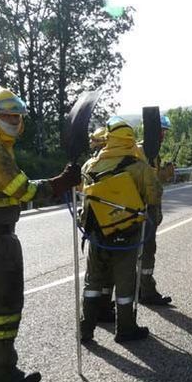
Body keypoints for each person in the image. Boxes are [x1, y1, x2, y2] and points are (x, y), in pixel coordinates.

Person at [0, 87, 81, 382]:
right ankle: (1, 373)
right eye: (7, 116)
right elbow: (23, 190)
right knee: (3, 304)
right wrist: (60, 183)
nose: (13, 121)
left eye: (16, 116)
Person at [79, 116, 160, 343]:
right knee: (125, 282)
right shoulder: (139, 167)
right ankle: (125, 329)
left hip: (97, 234)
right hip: (127, 232)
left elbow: (82, 193)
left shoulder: (90, 165)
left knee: (93, 281)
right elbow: (154, 195)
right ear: (130, 141)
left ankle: (86, 330)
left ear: (109, 139)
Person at [137, 114, 174, 306]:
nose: (163, 136)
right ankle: (146, 292)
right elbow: (146, 182)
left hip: (149, 210)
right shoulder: (143, 151)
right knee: (146, 251)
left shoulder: (152, 152)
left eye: (165, 132)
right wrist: (161, 176)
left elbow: (152, 180)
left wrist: (163, 174)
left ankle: (141, 289)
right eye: (161, 131)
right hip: (143, 211)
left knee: (144, 251)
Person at [87, 125, 115, 322]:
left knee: (95, 274)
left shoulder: (89, 165)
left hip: (94, 226)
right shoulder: (121, 162)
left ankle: (91, 316)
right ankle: (104, 309)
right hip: (115, 224)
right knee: (109, 272)